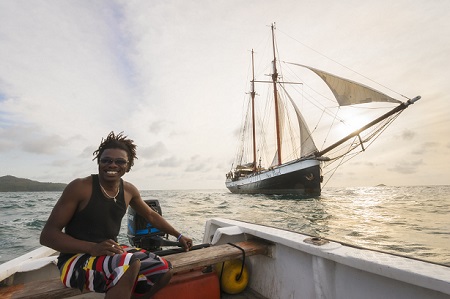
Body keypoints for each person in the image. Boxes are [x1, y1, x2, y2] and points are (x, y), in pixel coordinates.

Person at [40, 131, 193, 299]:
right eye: (106, 160)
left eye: (120, 161)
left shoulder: (129, 190)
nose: (112, 165)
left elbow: (150, 215)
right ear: (98, 162)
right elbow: (47, 236)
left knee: (163, 269)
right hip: (73, 261)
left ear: (128, 166)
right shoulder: (80, 187)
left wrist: (178, 235)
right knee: (129, 264)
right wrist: (92, 248)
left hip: (108, 253)